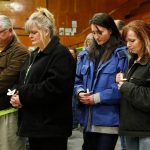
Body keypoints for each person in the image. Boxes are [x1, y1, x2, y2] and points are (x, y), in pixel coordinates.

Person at [10, 8, 76, 150]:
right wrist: (17, 94)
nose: (30, 36)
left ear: (46, 31)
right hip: (35, 123)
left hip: (51, 126)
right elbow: (23, 80)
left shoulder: (61, 54)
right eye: (29, 33)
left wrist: (23, 95)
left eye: (34, 32)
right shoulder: (35, 53)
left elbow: (53, 88)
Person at [74, 12, 128, 150]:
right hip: (87, 119)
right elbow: (77, 79)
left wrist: (96, 98)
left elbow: (122, 87)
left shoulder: (122, 54)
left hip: (108, 120)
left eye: (100, 32)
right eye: (93, 33)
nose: (96, 37)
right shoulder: (86, 54)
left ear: (110, 30)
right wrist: (79, 92)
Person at [116, 20, 150, 150]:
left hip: (146, 130)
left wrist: (126, 87)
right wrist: (123, 81)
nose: (128, 45)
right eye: (126, 41)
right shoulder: (133, 61)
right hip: (131, 128)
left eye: (132, 41)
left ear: (144, 38)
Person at [0, 15, 29, 150]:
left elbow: (5, 80)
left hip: (9, 111)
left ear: (10, 31)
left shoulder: (20, 51)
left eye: (0, 32)